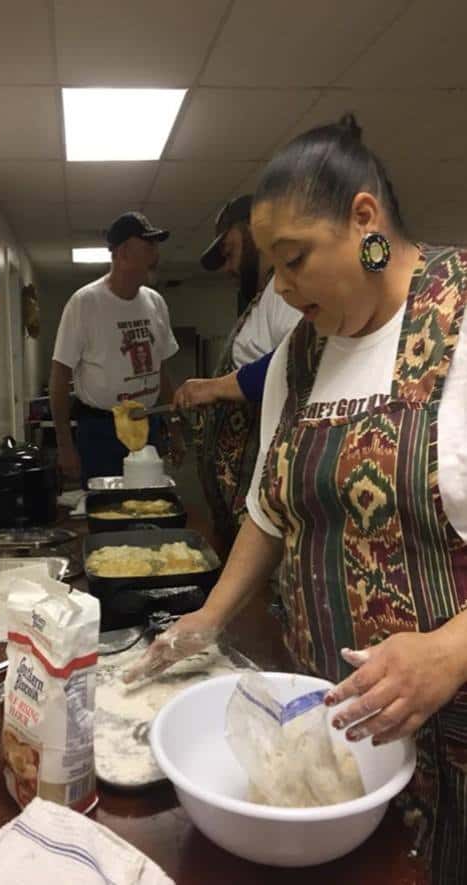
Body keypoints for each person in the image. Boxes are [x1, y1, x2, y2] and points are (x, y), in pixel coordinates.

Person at [126, 115, 467, 883]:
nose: (280, 285)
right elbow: (268, 509)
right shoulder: (302, 352)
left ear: (363, 220)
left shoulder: (459, 317)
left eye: (295, 259)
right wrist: (208, 618)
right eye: (273, 266)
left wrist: (449, 650)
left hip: (451, 738)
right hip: (328, 731)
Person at [174, 195, 299, 547]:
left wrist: (214, 388)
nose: (228, 268)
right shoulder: (261, 298)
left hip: (263, 490)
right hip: (237, 501)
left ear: (255, 230)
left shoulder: (284, 290)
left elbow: (296, 361)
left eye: (229, 252)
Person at [50, 212, 183, 487]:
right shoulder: (85, 303)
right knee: (107, 508)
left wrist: (174, 428)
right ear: (122, 253)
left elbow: (162, 371)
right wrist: (64, 446)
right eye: (148, 247)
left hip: (147, 425)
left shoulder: (155, 302)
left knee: (150, 503)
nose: (156, 255)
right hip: (101, 431)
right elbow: (59, 377)